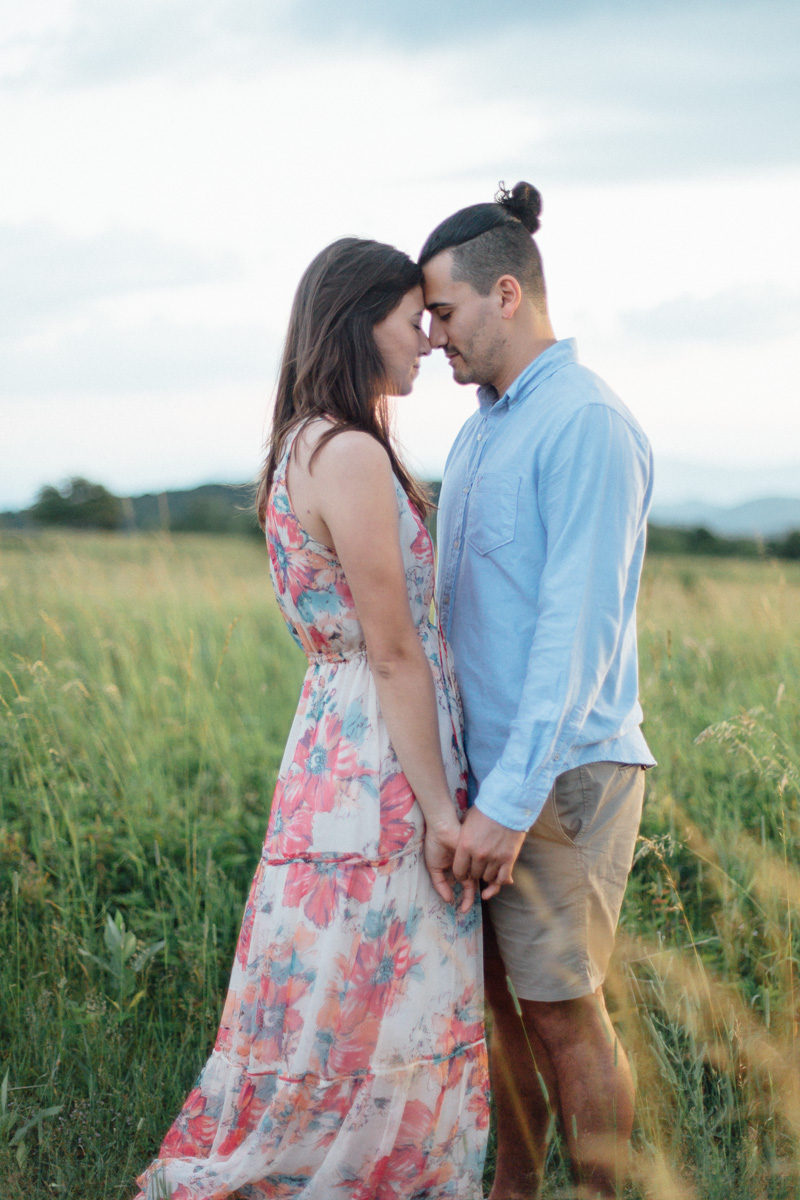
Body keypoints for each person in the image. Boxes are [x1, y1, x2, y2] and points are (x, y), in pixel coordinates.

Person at [135, 237, 489, 1200]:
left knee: (337, 981)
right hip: (378, 748)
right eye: (409, 318)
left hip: (335, 740)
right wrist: (442, 810)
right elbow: (393, 648)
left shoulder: (304, 443)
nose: (424, 338)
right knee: (383, 977)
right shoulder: (350, 453)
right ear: (355, 321)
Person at [420, 183, 656, 1200]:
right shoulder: (480, 432)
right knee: (495, 1013)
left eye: (444, 312)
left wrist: (507, 805)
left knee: (563, 1011)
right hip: (487, 781)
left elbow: (576, 636)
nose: (431, 337)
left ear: (504, 293)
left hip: (557, 779)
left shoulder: (586, 424)